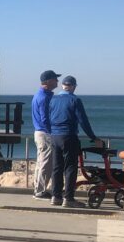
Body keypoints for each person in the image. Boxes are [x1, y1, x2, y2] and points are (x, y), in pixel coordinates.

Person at [47, 76, 102, 208]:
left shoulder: (53, 100)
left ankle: (56, 196)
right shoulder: (75, 100)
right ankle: (69, 198)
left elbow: (49, 118)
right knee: (70, 167)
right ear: (73, 86)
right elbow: (83, 121)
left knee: (57, 167)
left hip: (55, 136)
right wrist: (94, 138)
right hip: (69, 136)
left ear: (62, 86)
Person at [31, 70, 59, 199]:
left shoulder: (39, 94)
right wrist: (52, 132)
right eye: (55, 79)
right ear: (48, 82)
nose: (57, 81)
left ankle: (38, 188)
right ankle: (40, 190)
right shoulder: (44, 97)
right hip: (45, 133)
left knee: (41, 161)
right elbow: (45, 118)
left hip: (39, 132)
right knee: (46, 163)